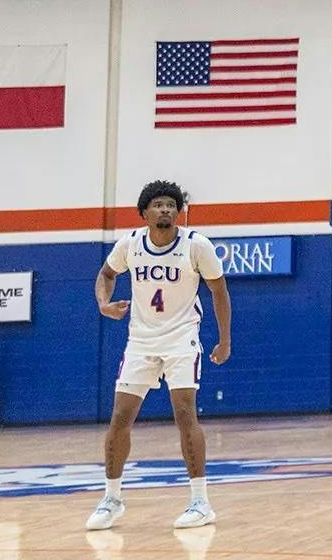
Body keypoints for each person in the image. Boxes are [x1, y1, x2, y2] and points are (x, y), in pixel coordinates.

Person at [86, 180, 232, 532]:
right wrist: (104, 305)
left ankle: (200, 502)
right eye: (158, 204)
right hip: (141, 341)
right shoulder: (130, 244)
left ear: (178, 210)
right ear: (145, 213)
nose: (166, 209)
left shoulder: (197, 246)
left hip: (182, 339)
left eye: (171, 204)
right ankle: (111, 498)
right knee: (120, 416)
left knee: (184, 413)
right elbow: (106, 274)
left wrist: (224, 341)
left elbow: (219, 292)